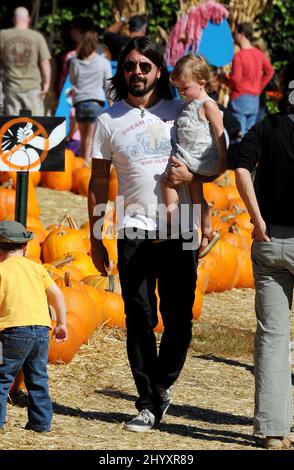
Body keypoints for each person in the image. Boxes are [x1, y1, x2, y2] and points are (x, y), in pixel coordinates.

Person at [88, 36, 199, 432]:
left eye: (145, 66)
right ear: (123, 70)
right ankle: (148, 402)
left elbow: (214, 159)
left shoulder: (182, 111)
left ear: (158, 70)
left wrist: (196, 176)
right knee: (138, 316)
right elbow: (99, 183)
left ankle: (163, 383)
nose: (137, 72)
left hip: (181, 226)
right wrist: (96, 236)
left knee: (179, 319)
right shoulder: (107, 121)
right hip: (133, 228)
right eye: (130, 66)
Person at [234, 58, 294, 450]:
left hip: (271, 240)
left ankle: (273, 430)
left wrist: (256, 219)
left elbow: (239, 166)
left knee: (272, 337)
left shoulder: (267, 126)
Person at [0, 220, 68, 432]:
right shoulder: (36, 268)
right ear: (26, 247)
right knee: (38, 378)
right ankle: (41, 423)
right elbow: (56, 294)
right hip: (41, 330)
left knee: (3, 378)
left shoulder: (2, 270)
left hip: (13, 332)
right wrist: (62, 323)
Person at [162, 54, 227, 257]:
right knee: (196, 194)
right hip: (193, 156)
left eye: (185, 88)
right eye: (178, 88)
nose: (181, 92)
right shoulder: (190, 103)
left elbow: (219, 133)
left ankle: (173, 224)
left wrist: (223, 161)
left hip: (199, 157)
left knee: (168, 180)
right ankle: (206, 232)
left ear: (202, 83)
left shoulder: (208, 105)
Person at [222, 22, 274, 136]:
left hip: (239, 99)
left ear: (241, 34)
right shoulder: (259, 54)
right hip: (254, 100)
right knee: (250, 137)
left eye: (235, 33)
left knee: (238, 135)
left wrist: (224, 79)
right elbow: (270, 71)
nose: (234, 36)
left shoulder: (239, 56)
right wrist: (258, 88)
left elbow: (235, 80)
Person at [69, 31, 112, 164]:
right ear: (96, 44)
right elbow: (108, 85)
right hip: (96, 103)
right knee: (90, 141)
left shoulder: (75, 62)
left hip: (80, 103)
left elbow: (73, 80)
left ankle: (80, 168)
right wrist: (111, 105)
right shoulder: (103, 62)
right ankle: (86, 171)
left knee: (83, 139)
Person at [0, 6, 51, 116]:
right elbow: (45, 62)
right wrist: (46, 84)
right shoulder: (37, 37)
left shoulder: (3, 35)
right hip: (33, 87)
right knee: (36, 124)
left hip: (11, 87)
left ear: (14, 19)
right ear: (28, 19)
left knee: (13, 126)